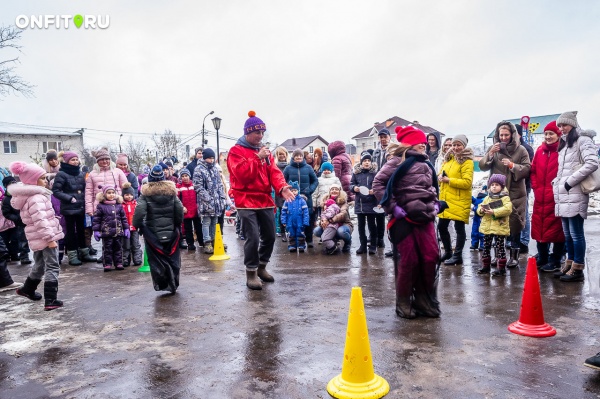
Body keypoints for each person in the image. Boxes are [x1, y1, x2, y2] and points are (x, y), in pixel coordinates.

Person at [373, 125, 442, 319]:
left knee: (430, 257)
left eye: (423, 142)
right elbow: (378, 184)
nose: (423, 145)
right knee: (408, 260)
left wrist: (435, 204)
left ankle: (422, 299)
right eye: (419, 142)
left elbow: (431, 189)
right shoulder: (396, 162)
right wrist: (392, 207)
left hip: (426, 218)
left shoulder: (427, 164)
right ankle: (403, 302)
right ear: (410, 143)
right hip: (404, 219)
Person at [227, 111, 294, 290]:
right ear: (247, 132)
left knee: (270, 236)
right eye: (258, 132)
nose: (261, 136)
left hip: (264, 199)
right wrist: (257, 158)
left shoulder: (264, 152)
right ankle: (251, 272)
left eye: (263, 133)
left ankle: (262, 266)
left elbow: (274, 172)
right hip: (245, 199)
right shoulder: (236, 151)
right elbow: (241, 175)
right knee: (253, 238)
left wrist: (282, 187)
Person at [10, 161, 64, 311]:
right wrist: (50, 239)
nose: (46, 181)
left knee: (40, 264)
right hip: (45, 236)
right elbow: (40, 221)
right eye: (42, 178)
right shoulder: (36, 198)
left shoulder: (29, 196)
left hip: (37, 237)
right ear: (33, 180)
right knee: (52, 266)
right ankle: (51, 300)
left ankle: (27, 289)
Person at [553, 111, 599, 282]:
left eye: (564, 125)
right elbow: (563, 170)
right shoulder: (565, 144)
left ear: (573, 124)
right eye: (559, 126)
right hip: (564, 194)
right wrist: (557, 182)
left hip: (576, 192)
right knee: (568, 234)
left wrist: (569, 182)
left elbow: (592, 163)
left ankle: (578, 268)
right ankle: (570, 263)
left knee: (576, 233)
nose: (561, 129)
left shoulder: (583, 140)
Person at [479, 121, 531, 268]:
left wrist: (512, 166)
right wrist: (490, 154)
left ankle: (514, 256)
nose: (503, 138)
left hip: (515, 192)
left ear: (512, 135)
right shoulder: (493, 149)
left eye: (506, 135)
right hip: (497, 193)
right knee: (497, 222)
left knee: (514, 224)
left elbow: (527, 169)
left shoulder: (521, 150)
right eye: (501, 135)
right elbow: (483, 166)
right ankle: (498, 256)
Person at [133, 165, 183, 294]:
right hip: (171, 233)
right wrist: (177, 225)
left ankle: (162, 283)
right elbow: (179, 211)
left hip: (152, 234)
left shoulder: (145, 195)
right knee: (172, 258)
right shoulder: (172, 194)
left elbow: (139, 213)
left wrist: (137, 225)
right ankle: (173, 283)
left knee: (156, 260)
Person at [530, 121, 565, 273]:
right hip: (540, 196)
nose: (548, 136)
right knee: (539, 227)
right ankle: (543, 256)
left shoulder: (563, 151)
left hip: (556, 196)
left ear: (558, 135)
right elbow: (533, 171)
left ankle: (555, 259)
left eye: (551, 133)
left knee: (557, 230)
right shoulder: (540, 151)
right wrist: (536, 186)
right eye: (546, 134)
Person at [52, 151, 97, 266]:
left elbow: (86, 188)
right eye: (73, 160)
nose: (75, 162)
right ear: (66, 161)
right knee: (71, 232)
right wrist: (69, 198)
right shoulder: (61, 174)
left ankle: (84, 253)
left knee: (82, 230)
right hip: (69, 208)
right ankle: (72, 255)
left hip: (81, 206)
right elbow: (56, 191)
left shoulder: (81, 174)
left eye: (76, 159)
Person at [437, 135, 474, 265]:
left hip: (460, 199)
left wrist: (449, 180)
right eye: (454, 145)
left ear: (464, 146)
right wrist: (440, 178)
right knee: (441, 226)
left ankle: (458, 256)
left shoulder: (467, 161)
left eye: (459, 145)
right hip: (446, 199)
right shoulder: (448, 159)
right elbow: (440, 174)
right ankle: (448, 252)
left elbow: (467, 183)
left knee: (459, 229)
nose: (455, 147)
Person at [475, 174, 512, 276]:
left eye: (496, 185)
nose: (494, 186)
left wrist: (494, 212)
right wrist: (481, 210)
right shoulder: (487, 198)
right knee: (486, 247)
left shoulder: (505, 198)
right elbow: (478, 209)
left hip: (499, 227)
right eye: (492, 185)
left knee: (500, 247)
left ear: (502, 186)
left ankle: (501, 268)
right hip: (487, 227)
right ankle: (485, 266)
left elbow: (508, 209)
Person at [194, 148, 226, 255]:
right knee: (206, 222)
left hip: (216, 202)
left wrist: (222, 197)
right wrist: (208, 198)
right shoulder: (199, 169)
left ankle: (214, 240)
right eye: (209, 158)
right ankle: (207, 242)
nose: (211, 160)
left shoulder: (215, 169)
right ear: (204, 158)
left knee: (214, 221)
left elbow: (220, 185)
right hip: (206, 203)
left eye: (212, 158)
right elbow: (198, 186)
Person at [283, 148, 318, 247]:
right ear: (293, 157)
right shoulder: (288, 168)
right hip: (292, 198)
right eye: (296, 155)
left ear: (303, 157)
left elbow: (315, 181)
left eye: (300, 155)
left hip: (306, 197)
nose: (298, 157)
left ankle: (309, 239)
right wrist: (288, 192)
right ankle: (294, 241)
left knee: (308, 218)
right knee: (294, 218)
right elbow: (283, 182)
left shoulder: (308, 168)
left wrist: (309, 190)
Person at [92, 185, 129, 271]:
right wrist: (96, 230)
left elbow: (123, 218)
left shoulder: (119, 205)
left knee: (118, 248)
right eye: (109, 193)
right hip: (107, 232)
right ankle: (107, 264)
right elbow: (97, 219)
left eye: (113, 193)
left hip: (118, 231)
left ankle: (119, 263)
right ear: (104, 194)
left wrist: (126, 228)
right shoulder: (101, 206)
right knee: (107, 248)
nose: (111, 195)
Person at [350, 151, 379, 254]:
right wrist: (354, 188)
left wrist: (374, 191)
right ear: (361, 163)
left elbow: (379, 185)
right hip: (360, 204)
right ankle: (362, 245)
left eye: (368, 161)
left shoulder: (375, 174)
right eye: (365, 161)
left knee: (372, 225)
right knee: (361, 226)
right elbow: (351, 184)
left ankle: (373, 246)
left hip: (371, 203)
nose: (367, 163)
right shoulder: (356, 173)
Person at [85, 149, 128, 217]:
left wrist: (125, 203)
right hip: (99, 207)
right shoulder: (92, 174)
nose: (105, 161)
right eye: (102, 159)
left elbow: (126, 188)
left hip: (116, 205)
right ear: (97, 161)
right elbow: (89, 193)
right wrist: (89, 209)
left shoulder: (118, 172)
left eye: (106, 159)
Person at [314, 183, 353, 254]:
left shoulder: (343, 202)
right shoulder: (325, 202)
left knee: (341, 232)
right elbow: (323, 215)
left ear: (339, 191)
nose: (334, 191)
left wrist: (330, 220)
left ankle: (348, 241)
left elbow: (342, 214)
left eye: (336, 189)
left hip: (343, 224)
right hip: (330, 225)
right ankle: (332, 242)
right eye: (332, 189)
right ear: (329, 191)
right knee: (317, 231)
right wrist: (322, 222)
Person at [1, 176, 31, 264]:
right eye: (10, 183)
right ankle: (24, 256)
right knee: (22, 240)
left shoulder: (22, 194)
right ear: (6, 186)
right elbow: (6, 213)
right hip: (19, 223)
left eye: (14, 182)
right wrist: (16, 218)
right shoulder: (6, 199)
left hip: (28, 220)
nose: (13, 185)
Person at [515, 124, 534, 253]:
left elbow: (528, 169)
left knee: (524, 214)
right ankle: (513, 240)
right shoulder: (507, 148)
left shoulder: (526, 148)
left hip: (523, 186)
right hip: (509, 187)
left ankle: (524, 241)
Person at [371, 128, 391, 250]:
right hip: (378, 183)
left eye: (385, 137)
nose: (383, 139)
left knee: (388, 212)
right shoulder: (376, 151)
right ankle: (379, 238)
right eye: (381, 137)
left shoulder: (393, 149)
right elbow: (373, 167)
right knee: (378, 212)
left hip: (388, 183)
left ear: (389, 137)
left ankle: (388, 240)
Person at [177, 169, 202, 251]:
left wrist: (199, 206)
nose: (184, 178)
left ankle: (201, 242)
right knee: (188, 229)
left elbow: (199, 197)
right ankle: (190, 244)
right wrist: (182, 207)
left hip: (195, 210)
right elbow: (177, 199)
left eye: (186, 176)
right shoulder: (179, 187)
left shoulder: (194, 185)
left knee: (198, 227)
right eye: (183, 176)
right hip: (186, 211)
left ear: (189, 176)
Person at [280, 181, 309, 252]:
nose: (293, 192)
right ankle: (292, 246)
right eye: (292, 191)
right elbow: (283, 212)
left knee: (300, 233)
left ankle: (301, 246)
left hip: (300, 221)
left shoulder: (302, 201)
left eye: (295, 190)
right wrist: (283, 221)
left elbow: (306, 212)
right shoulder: (287, 201)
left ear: (298, 191)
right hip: (290, 221)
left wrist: (306, 221)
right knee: (291, 234)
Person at [121, 183, 142, 266]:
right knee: (125, 245)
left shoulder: (136, 204)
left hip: (134, 228)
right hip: (125, 229)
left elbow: (139, 215)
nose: (129, 197)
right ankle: (125, 259)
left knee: (136, 244)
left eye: (130, 195)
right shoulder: (121, 205)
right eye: (126, 195)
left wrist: (140, 225)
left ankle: (137, 259)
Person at [274, 146, 289, 239]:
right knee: (281, 212)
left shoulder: (289, 166)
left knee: (289, 211)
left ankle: (289, 230)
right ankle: (282, 232)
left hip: (288, 191)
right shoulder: (275, 166)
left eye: (283, 154)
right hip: (278, 192)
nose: (282, 156)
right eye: (280, 154)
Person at [470, 185, 487, 251]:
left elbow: (477, 207)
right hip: (476, 219)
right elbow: (471, 199)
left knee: (482, 232)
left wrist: (474, 208)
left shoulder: (484, 200)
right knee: (475, 232)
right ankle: (475, 244)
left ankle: (482, 245)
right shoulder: (477, 199)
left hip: (482, 219)